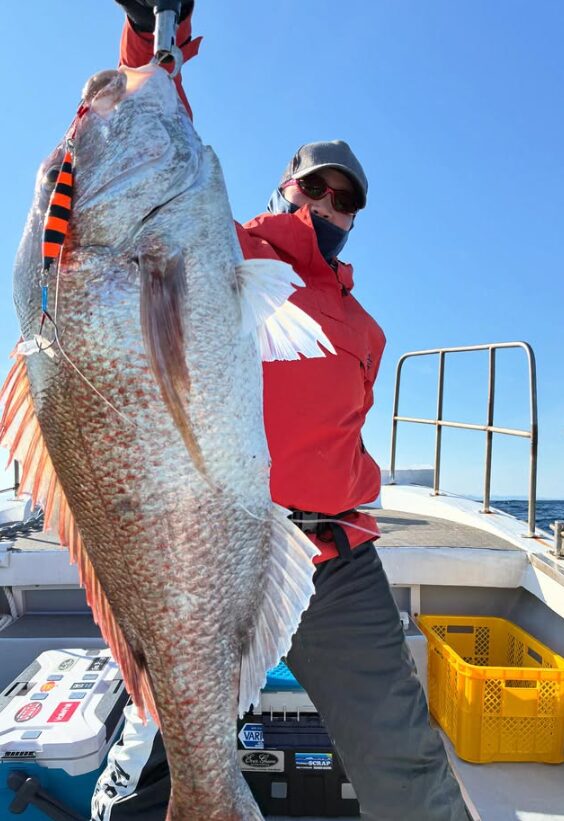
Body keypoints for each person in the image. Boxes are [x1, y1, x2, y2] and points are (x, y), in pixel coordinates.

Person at [92, 3, 471, 819]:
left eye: (347, 201)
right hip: (209, 547)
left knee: (405, 763)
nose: (330, 205)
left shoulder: (366, 328)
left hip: (333, 561)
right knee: (159, 757)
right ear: (284, 187)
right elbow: (153, 147)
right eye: (316, 187)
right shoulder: (227, 248)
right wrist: (148, 35)